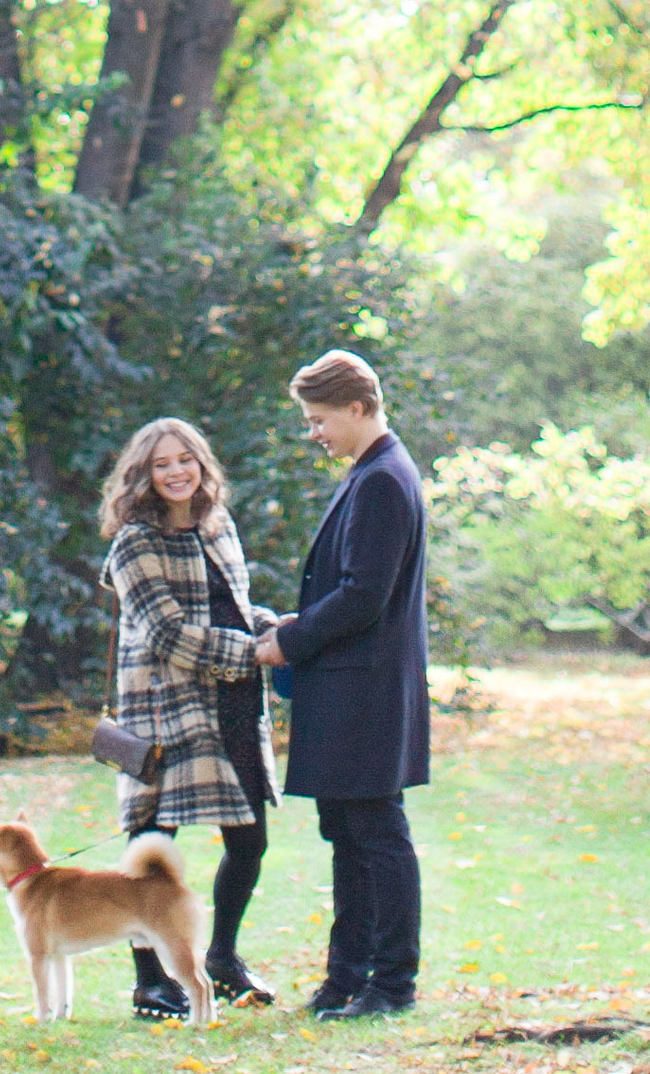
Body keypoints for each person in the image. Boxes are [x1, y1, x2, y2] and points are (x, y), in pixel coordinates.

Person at [254, 346, 428, 1019]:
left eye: (321, 418)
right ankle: (347, 976)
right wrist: (304, 620)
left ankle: (391, 984)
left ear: (359, 408)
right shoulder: (373, 472)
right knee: (349, 837)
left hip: (366, 693)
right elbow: (356, 587)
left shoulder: (383, 478)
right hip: (353, 689)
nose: (315, 432)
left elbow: (364, 597)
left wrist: (288, 642)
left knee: (376, 838)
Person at [98, 414, 282, 1016]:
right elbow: (167, 635)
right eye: (162, 464)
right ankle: (150, 978)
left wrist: (274, 628)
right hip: (162, 711)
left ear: (202, 464)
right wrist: (252, 651)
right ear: (143, 475)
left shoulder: (217, 526)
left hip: (230, 701)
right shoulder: (134, 542)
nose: (176, 472)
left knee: (249, 840)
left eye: (186, 460)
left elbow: (234, 604)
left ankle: (222, 959)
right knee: (151, 846)